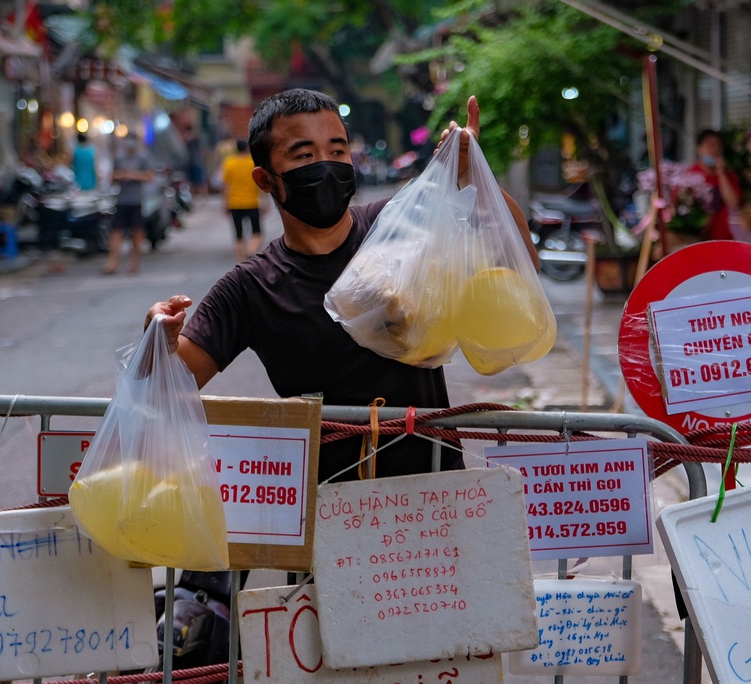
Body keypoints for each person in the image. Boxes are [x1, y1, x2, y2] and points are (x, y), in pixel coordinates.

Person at [146, 89, 537, 483]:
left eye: (337, 150)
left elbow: (519, 262)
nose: (326, 166)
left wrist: (474, 176)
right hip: (328, 515)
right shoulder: (249, 287)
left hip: (434, 497)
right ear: (265, 179)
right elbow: (174, 380)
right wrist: (158, 341)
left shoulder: (401, 227)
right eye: (304, 156)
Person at [105, 134, 155, 275]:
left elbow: (150, 176)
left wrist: (131, 175)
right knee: (116, 231)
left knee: (137, 232)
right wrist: (119, 176)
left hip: (137, 201)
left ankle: (134, 262)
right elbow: (112, 176)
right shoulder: (119, 157)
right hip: (121, 200)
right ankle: (112, 262)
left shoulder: (143, 157)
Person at [689, 129, 742, 241]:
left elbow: (733, 203)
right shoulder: (690, 176)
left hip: (725, 238)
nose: (714, 149)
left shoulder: (728, 175)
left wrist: (721, 173)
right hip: (699, 239)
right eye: (710, 145)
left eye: (718, 145)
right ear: (699, 148)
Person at [221, 139, 263, 262]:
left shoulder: (229, 163)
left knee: (238, 235)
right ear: (246, 149)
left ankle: (241, 263)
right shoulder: (253, 163)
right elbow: (259, 183)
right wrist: (264, 201)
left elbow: (225, 186)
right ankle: (251, 252)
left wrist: (225, 204)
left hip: (234, 203)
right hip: (252, 202)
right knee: (257, 233)